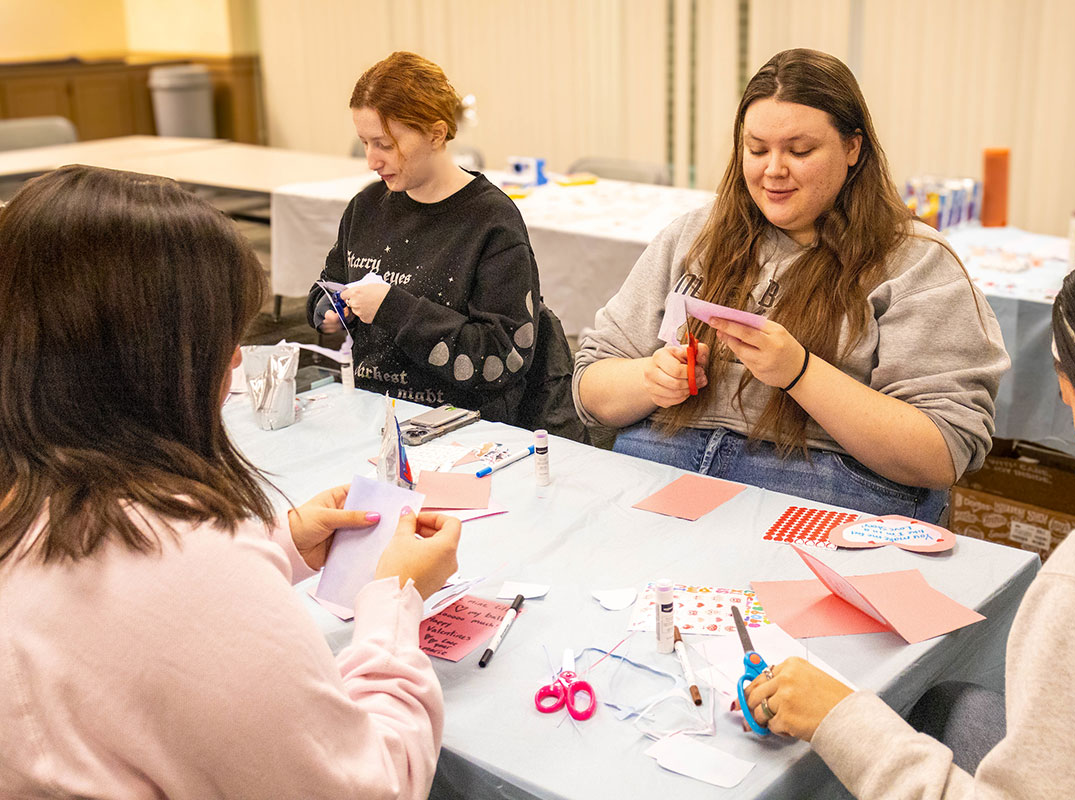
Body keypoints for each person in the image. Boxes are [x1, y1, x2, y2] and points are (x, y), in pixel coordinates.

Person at [0, 165, 461, 799]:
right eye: (225, 337)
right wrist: (394, 600)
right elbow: (366, 785)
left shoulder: (32, 499)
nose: (239, 358)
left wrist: (281, 545)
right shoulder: (183, 563)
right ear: (152, 356)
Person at [742, 231, 1075, 798]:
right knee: (946, 706)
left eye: (1066, 398)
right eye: (757, 150)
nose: (774, 171)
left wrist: (838, 717)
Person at [573, 49, 1008, 522]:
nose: (773, 170)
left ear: (853, 149)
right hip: (665, 470)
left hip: (818, 490)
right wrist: (650, 380)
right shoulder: (693, 236)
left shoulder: (914, 262)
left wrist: (800, 372)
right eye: (757, 150)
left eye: (800, 151)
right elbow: (590, 388)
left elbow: (940, 453)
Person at [308, 51, 584, 440]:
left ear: (436, 134)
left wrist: (394, 309)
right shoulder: (366, 208)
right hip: (374, 418)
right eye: (364, 143)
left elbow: (500, 358)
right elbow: (328, 283)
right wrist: (326, 309)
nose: (371, 160)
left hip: (466, 430)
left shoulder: (490, 222)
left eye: (384, 144)